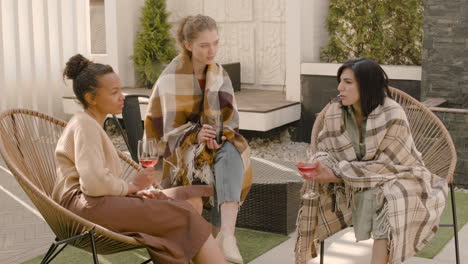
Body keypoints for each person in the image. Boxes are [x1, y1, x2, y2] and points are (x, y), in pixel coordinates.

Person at [52, 54, 227, 264]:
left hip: (94, 203)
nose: (122, 96)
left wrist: (132, 190)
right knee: (183, 214)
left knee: (189, 198)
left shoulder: (88, 123)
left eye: (121, 89)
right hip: (85, 210)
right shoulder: (85, 125)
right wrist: (132, 187)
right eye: (114, 92)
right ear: (91, 98)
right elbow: (93, 183)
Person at [294, 58, 447, 264]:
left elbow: (390, 165)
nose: (340, 87)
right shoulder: (334, 113)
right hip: (351, 181)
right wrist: (322, 166)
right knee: (315, 188)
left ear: (366, 85)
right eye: (340, 81)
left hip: (401, 174)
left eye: (348, 82)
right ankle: (304, 255)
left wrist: (339, 173)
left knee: (389, 198)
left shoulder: (393, 113)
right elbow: (324, 151)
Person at [145, 15, 252, 264]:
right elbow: (166, 131)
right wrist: (195, 135)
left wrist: (219, 135)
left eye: (215, 43)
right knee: (220, 160)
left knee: (232, 149)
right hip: (174, 154)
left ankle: (226, 235)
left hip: (207, 146)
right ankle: (214, 245)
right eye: (204, 45)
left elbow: (231, 120)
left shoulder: (220, 74)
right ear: (188, 44)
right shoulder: (170, 77)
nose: (212, 50)